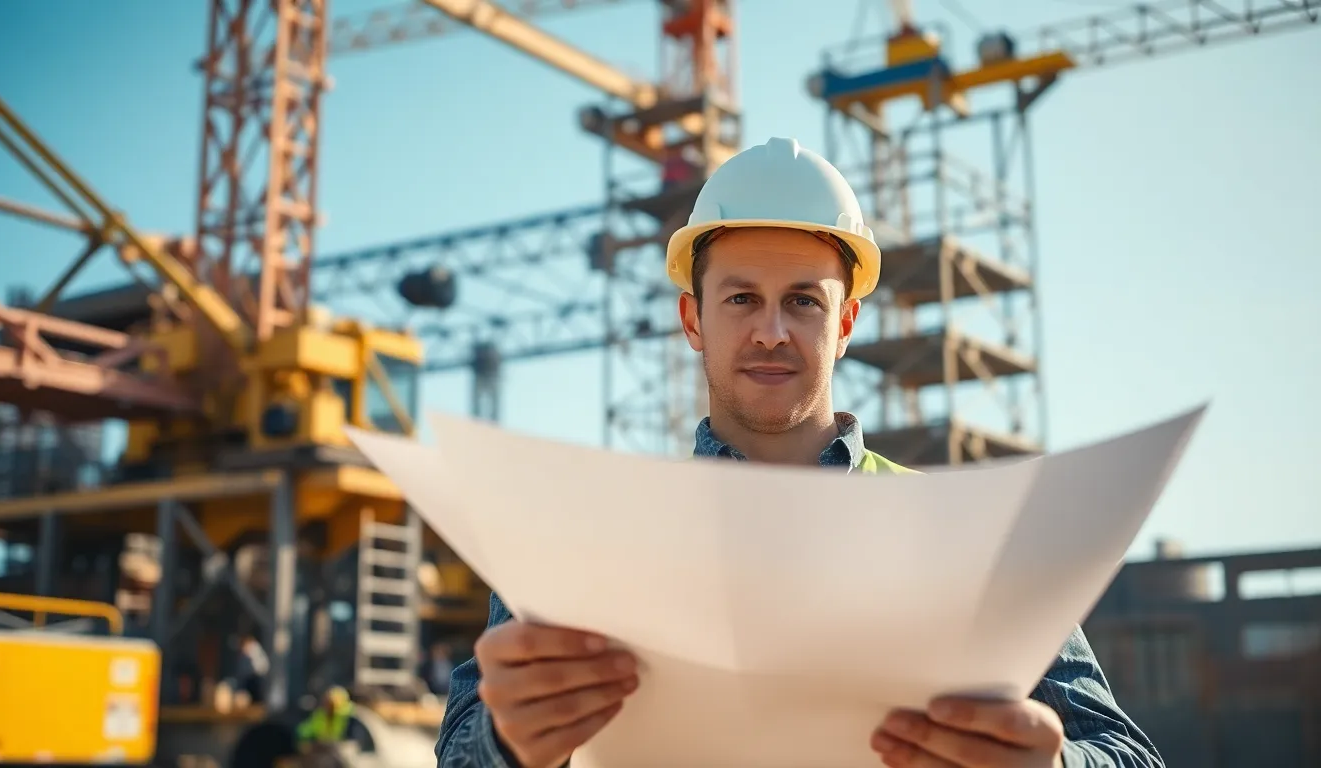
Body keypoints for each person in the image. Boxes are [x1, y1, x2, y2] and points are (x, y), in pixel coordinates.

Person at [435, 137, 1163, 768]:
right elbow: (461, 752)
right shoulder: (593, 538)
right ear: (693, 318)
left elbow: (1129, 754)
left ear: (845, 322)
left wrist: (1053, 762)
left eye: (804, 302)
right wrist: (511, 745)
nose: (772, 331)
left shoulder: (964, 531)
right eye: (742, 299)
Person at [296, 685, 354, 750]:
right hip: (323, 749)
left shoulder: (350, 716)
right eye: (325, 702)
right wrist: (305, 741)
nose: (326, 705)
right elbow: (304, 731)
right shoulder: (320, 715)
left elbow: (352, 741)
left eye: (330, 703)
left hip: (341, 751)